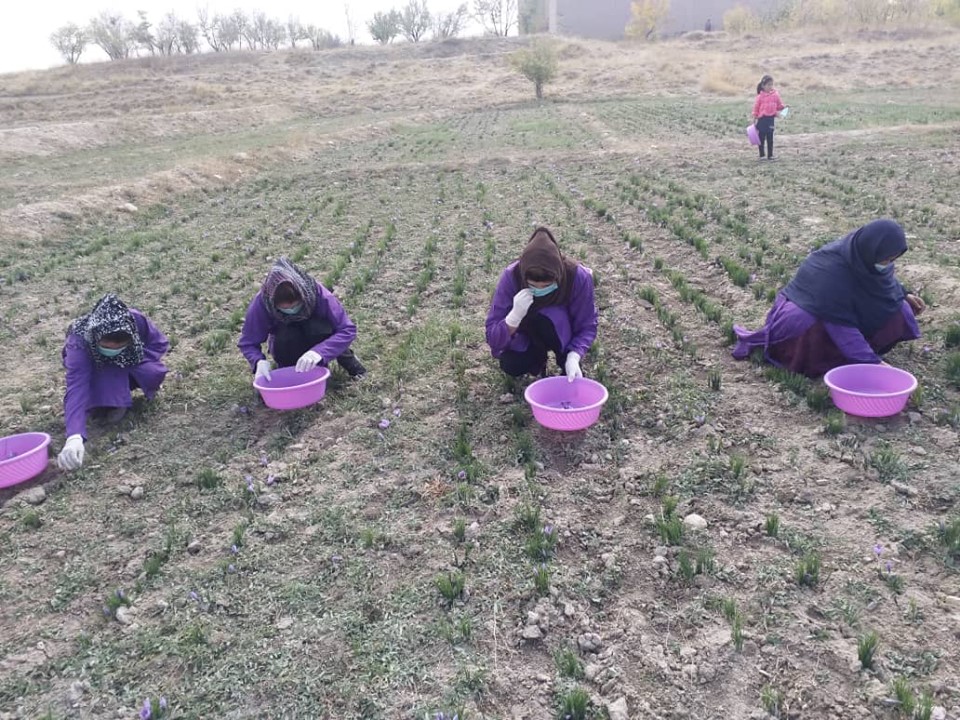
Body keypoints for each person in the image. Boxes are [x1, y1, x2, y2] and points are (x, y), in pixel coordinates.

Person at [732, 219, 925, 378]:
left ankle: (853, 355)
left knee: (900, 309)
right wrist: (873, 364)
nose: (887, 264)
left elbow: (882, 282)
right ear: (870, 249)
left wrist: (903, 293)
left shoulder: (866, 257)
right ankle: (815, 360)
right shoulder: (831, 270)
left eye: (891, 260)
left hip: (844, 315)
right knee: (807, 322)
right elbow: (841, 328)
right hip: (809, 320)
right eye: (885, 260)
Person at [57, 294, 170, 471]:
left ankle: (119, 390)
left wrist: (128, 360)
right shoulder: (79, 341)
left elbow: (158, 343)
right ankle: (106, 400)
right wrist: (74, 436)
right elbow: (77, 386)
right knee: (105, 376)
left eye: (119, 346)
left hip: (131, 361)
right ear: (96, 338)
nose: (112, 351)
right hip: (96, 370)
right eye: (107, 347)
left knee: (151, 372)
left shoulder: (135, 320)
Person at [485, 227, 598, 381]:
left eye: (546, 286)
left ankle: (565, 358)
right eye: (533, 286)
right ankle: (536, 358)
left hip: (561, 331)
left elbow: (587, 325)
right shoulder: (512, 277)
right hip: (527, 332)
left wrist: (574, 355)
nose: (539, 290)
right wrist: (513, 317)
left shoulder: (577, 277)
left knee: (553, 316)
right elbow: (493, 337)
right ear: (525, 278)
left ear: (558, 276)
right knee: (512, 363)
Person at [238, 257, 366, 384]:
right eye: (285, 308)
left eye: (296, 305)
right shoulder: (262, 303)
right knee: (287, 339)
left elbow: (346, 329)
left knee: (323, 327)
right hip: (286, 338)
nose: (292, 310)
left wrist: (319, 352)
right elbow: (248, 342)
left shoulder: (318, 294)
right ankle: (291, 368)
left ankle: (349, 361)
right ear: (273, 304)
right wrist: (258, 361)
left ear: (302, 295)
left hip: (319, 332)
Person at [752, 75, 786, 161]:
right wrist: (755, 116)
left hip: (771, 120)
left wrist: (784, 107)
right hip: (762, 120)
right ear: (763, 85)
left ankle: (770, 155)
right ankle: (762, 155)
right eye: (768, 85)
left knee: (770, 138)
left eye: (771, 84)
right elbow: (756, 107)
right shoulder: (760, 97)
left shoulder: (775, 95)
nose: (770, 87)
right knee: (761, 138)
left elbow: (779, 105)